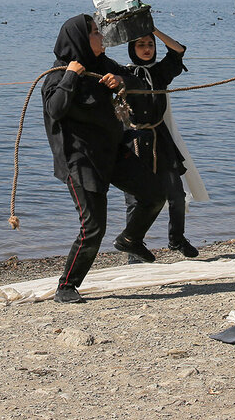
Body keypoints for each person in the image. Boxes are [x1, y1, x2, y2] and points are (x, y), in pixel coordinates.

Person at [42, 15, 167, 303]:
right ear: (80, 40)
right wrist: (72, 75)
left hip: (113, 151)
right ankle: (67, 287)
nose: (102, 38)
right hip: (81, 161)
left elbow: (139, 83)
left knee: (155, 194)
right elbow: (55, 110)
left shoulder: (104, 66)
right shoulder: (58, 75)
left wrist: (121, 80)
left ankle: (130, 239)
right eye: (96, 33)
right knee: (93, 227)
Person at [121, 27, 206, 261]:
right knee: (135, 200)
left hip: (161, 139)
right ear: (131, 48)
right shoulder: (122, 74)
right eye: (141, 45)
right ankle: (132, 244)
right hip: (134, 141)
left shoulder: (160, 73)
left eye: (150, 45)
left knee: (176, 193)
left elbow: (178, 50)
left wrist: (152, 29)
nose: (147, 49)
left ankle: (176, 239)